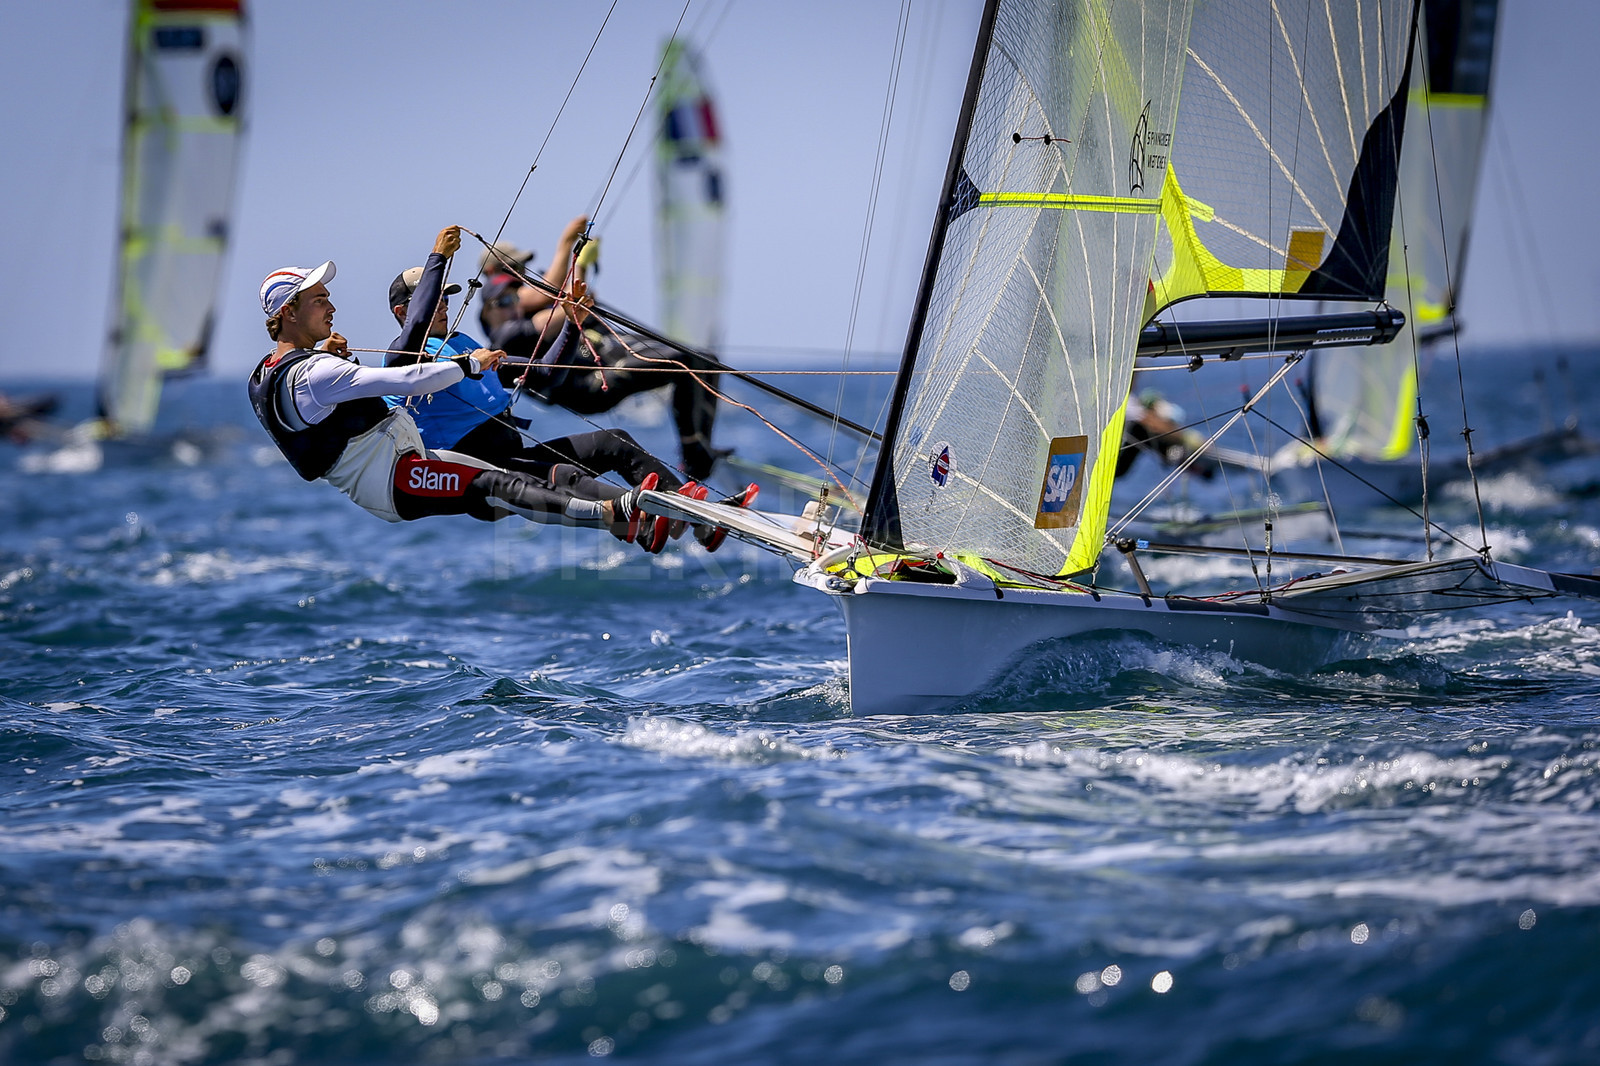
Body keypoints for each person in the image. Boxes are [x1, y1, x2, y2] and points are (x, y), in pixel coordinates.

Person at [247, 241, 672, 552]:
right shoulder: (388, 356)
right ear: (288, 311)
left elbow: (536, 374)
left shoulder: (278, 373)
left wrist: (568, 322)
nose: (332, 307)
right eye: (320, 299)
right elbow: (405, 376)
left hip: (411, 463)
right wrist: (439, 259)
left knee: (571, 459)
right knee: (505, 481)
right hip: (391, 479)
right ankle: (617, 514)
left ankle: (670, 506)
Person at [479, 216, 727, 481]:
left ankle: (699, 447)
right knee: (681, 362)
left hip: (597, 361)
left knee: (704, 359)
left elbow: (556, 296)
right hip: (586, 387)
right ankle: (694, 457)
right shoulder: (504, 323)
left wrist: (578, 269)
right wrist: (570, 249)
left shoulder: (512, 302)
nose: (524, 276)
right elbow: (549, 298)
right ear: (495, 275)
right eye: (516, 268)